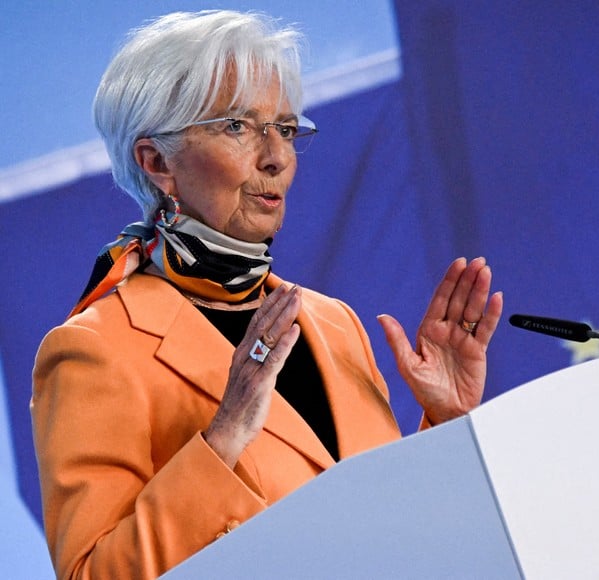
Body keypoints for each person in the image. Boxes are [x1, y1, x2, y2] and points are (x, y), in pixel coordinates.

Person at [30, 10, 503, 579]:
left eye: (283, 128)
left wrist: (447, 426)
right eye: (237, 126)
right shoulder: (94, 351)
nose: (276, 157)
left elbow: (397, 536)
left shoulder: (332, 323)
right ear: (157, 162)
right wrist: (224, 435)